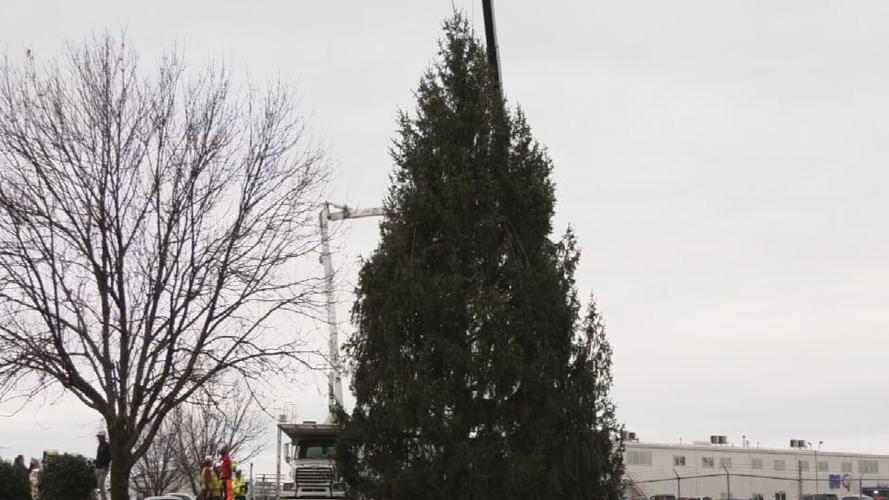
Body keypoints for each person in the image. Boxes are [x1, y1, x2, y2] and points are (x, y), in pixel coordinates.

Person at [95, 430, 112, 500]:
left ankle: (103, 498)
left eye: (100, 437)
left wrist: (105, 467)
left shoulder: (107, 445)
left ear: (103, 437)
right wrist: (96, 462)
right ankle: (103, 498)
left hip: (104, 468)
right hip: (97, 467)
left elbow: (109, 457)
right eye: (98, 437)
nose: (99, 438)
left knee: (99, 483)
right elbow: (98, 457)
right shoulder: (99, 446)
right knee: (99, 485)